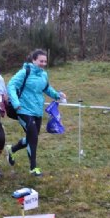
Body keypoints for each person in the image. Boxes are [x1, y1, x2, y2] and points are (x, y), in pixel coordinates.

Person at [5, 49, 67, 177]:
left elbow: (46, 88)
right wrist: (16, 103)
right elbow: (11, 85)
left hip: (37, 111)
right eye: (41, 61)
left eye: (45, 61)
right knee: (33, 137)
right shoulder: (25, 72)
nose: (43, 63)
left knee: (32, 137)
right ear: (34, 60)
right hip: (23, 110)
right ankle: (33, 167)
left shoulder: (44, 75)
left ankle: (12, 149)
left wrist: (57, 95)